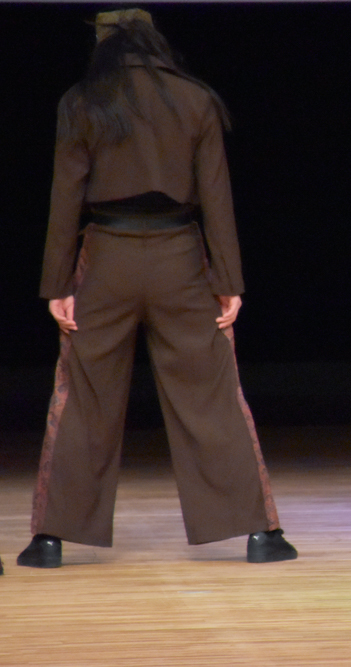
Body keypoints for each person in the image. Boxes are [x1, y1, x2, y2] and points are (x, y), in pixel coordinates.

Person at [17, 9, 296, 569]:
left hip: (107, 259)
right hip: (180, 260)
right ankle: (261, 534)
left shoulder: (82, 101)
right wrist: (228, 281)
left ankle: (49, 539)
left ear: (103, 43)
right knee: (212, 393)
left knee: (83, 398)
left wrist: (57, 285)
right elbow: (216, 196)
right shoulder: (195, 99)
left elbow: (65, 197)